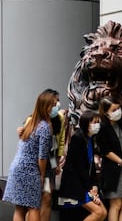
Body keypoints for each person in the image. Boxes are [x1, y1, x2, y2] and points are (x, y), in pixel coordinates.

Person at [2, 91, 54, 221]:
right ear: (45, 106)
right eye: (52, 105)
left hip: (16, 168)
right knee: (34, 207)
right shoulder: (44, 127)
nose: (54, 108)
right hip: (30, 170)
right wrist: (42, 176)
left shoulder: (30, 123)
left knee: (20, 208)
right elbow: (42, 156)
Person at [16, 89, 67, 221]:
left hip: (49, 160)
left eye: (58, 102)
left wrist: (57, 162)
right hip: (35, 164)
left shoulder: (59, 119)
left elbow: (59, 142)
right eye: (54, 103)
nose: (58, 106)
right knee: (31, 202)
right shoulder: (33, 120)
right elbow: (26, 142)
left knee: (47, 196)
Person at [58, 110, 107, 221]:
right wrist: (90, 189)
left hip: (86, 185)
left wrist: (94, 186)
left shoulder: (90, 139)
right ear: (86, 123)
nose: (97, 125)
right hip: (75, 186)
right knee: (98, 212)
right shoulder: (78, 138)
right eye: (94, 122)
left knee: (103, 212)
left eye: (98, 122)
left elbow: (91, 166)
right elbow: (79, 168)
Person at [96, 96, 122, 221]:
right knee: (116, 204)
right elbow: (106, 151)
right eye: (114, 110)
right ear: (106, 113)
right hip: (113, 170)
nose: (118, 111)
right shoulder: (102, 128)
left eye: (119, 108)